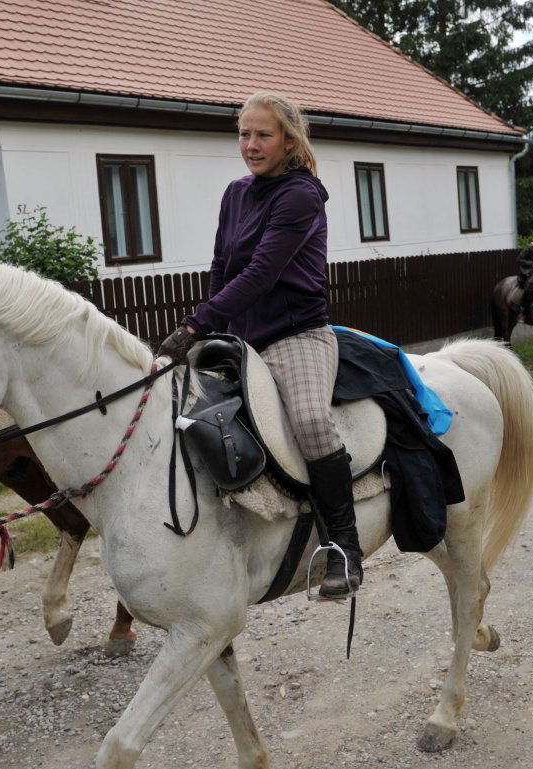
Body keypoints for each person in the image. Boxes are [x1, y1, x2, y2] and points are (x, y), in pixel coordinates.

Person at [156, 92, 361, 598]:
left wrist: (195, 326)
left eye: (263, 135)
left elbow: (262, 273)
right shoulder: (236, 193)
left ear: (288, 141)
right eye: (244, 134)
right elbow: (222, 267)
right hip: (239, 338)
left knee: (310, 422)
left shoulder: (300, 195)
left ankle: (344, 548)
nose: (250, 144)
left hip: (295, 336)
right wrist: (212, 329)